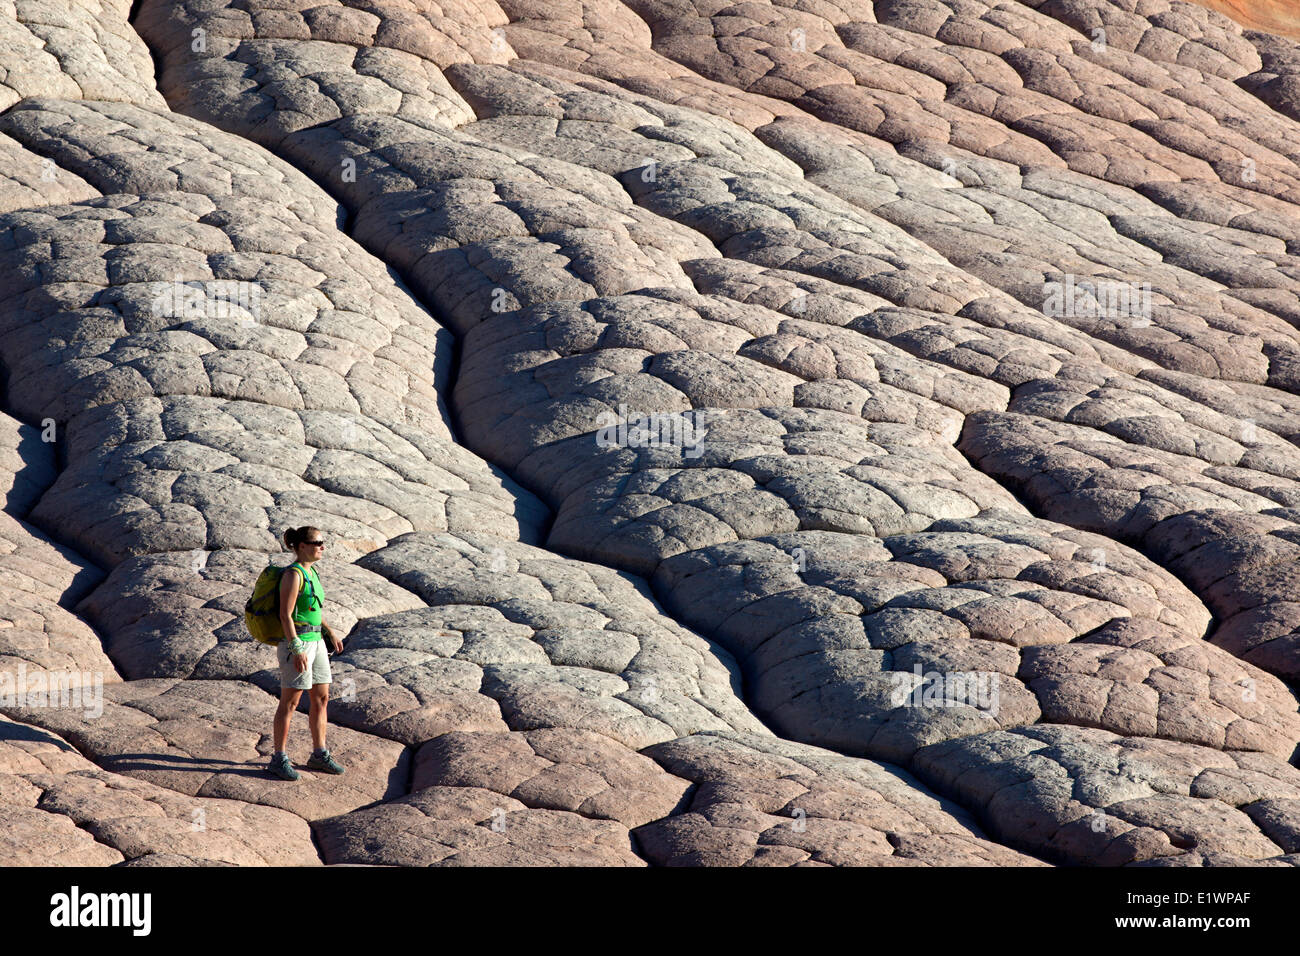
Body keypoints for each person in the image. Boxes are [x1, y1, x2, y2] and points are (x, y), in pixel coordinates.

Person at [268, 526, 345, 780]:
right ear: (301, 546)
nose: (322, 546)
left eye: (323, 542)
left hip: (317, 642)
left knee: (322, 698)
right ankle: (278, 758)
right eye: (317, 542)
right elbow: (285, 615)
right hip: (299, 643)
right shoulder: (293, 574)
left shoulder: (313, 572)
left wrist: (329, 631)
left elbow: (314, 611)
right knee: (290, 702)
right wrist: (296, 647)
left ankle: (319, 754)